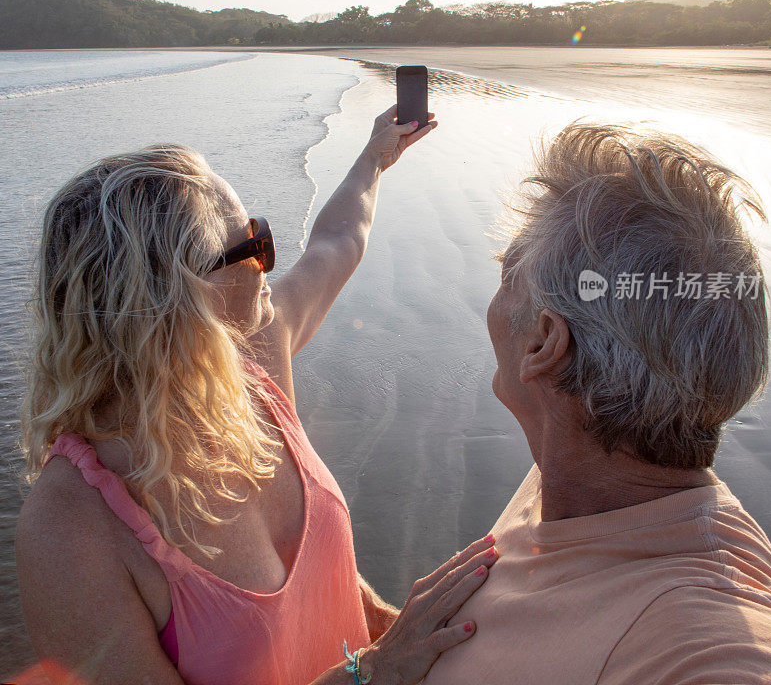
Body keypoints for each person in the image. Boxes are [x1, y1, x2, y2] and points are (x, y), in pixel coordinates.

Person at [14, 105, 500, 685]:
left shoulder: (251, 361)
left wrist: (375, 156)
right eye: (253, 245)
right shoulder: (72, 524)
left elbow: (337, 241)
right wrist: (374, 673)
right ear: (179, 296)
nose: (269, 262)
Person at [422, 121, 771, 683]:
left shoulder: (703, 646)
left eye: (509, 274)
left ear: (545, 345)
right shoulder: (572, 472)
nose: (495, 301)